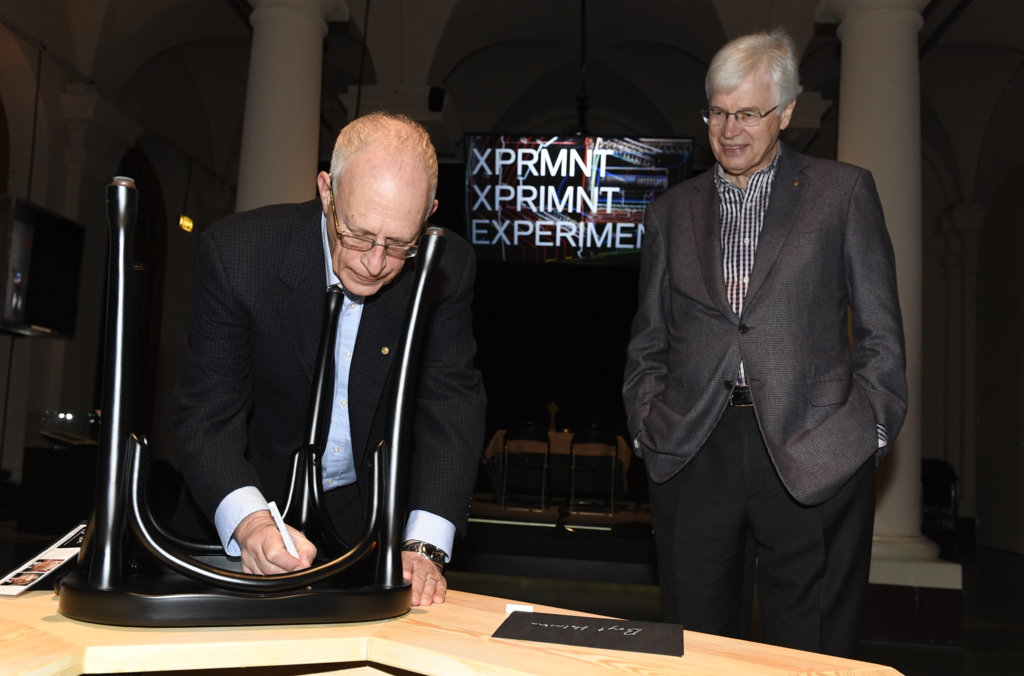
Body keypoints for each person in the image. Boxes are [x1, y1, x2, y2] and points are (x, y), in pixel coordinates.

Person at [622, 29, 907, 657]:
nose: (729, 130)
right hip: (693, 451)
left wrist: (868, 435)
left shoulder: (844, 192)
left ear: (787, 112)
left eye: (748, 113)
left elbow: (882, 334)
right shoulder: (671, 211)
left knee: (813, 651)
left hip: (816, 452)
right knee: (696, 652)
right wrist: (648, 430)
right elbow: (648, 340)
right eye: (718, 112)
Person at [171, 111, 486, 606]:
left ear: (429, 215)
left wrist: (423, 545)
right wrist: (251, 522)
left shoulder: (445, 266)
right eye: (357, 234)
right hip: (248, 497)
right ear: (327, 191)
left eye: (400, 243)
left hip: (367, 522)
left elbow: (450, 404)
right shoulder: (239, 254)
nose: (375, 262)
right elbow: (206, 414)